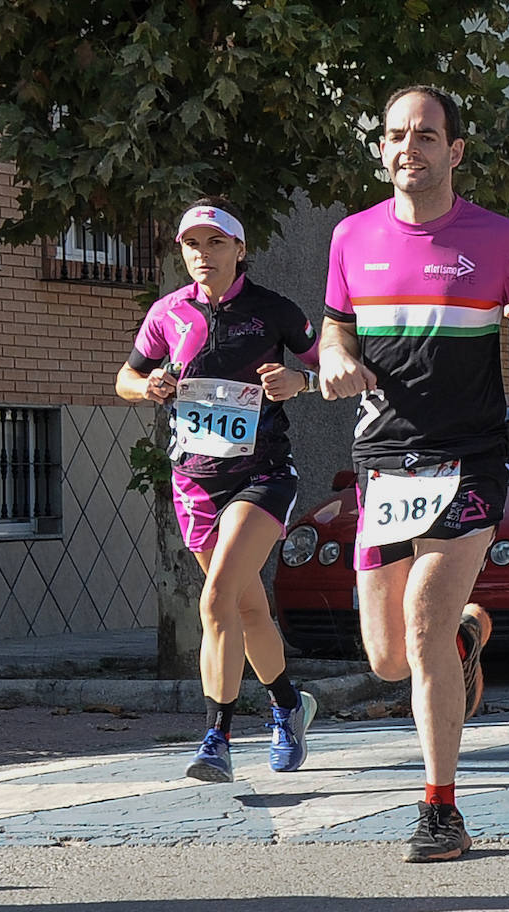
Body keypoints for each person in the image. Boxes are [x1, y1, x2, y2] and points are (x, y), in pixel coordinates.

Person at [318, 85, 509, 862]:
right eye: (396, 135)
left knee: (421, 618)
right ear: (382, 148)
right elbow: (335, 325)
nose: (409, 149)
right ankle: (464, 639)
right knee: (390, 658)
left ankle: (440, 809)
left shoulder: (495, 238)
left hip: (469, 460)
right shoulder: (352, 236)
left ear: (454, 152)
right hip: (382, 465)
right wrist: (332, 356)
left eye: (426, 135)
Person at [115, 197, 322, 783]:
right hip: (195, 482)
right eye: (191, 245)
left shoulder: (273, 311)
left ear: (240, 249)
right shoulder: (167, 313)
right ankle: (288, 706)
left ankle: (217, 737)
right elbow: (124, 378)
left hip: (262, 477)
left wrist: (297, 381)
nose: (201, 255)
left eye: (214, 243)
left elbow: (334, 370)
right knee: (247, 606)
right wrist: (146, 385)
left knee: (215, 600)